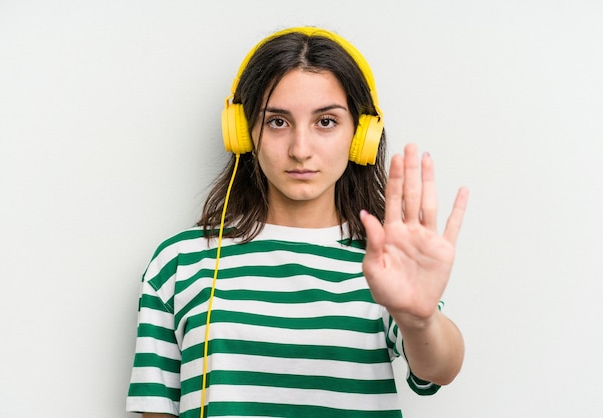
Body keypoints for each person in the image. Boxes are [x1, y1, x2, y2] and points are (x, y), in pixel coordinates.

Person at [126, 26, 469, 418]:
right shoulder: (180, 262)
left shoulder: (383, 260)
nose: (300, 150)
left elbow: (440, 369)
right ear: (243, 132)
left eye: (326, 122)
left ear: (361, 136)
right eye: (277, 122)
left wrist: (420, 318)